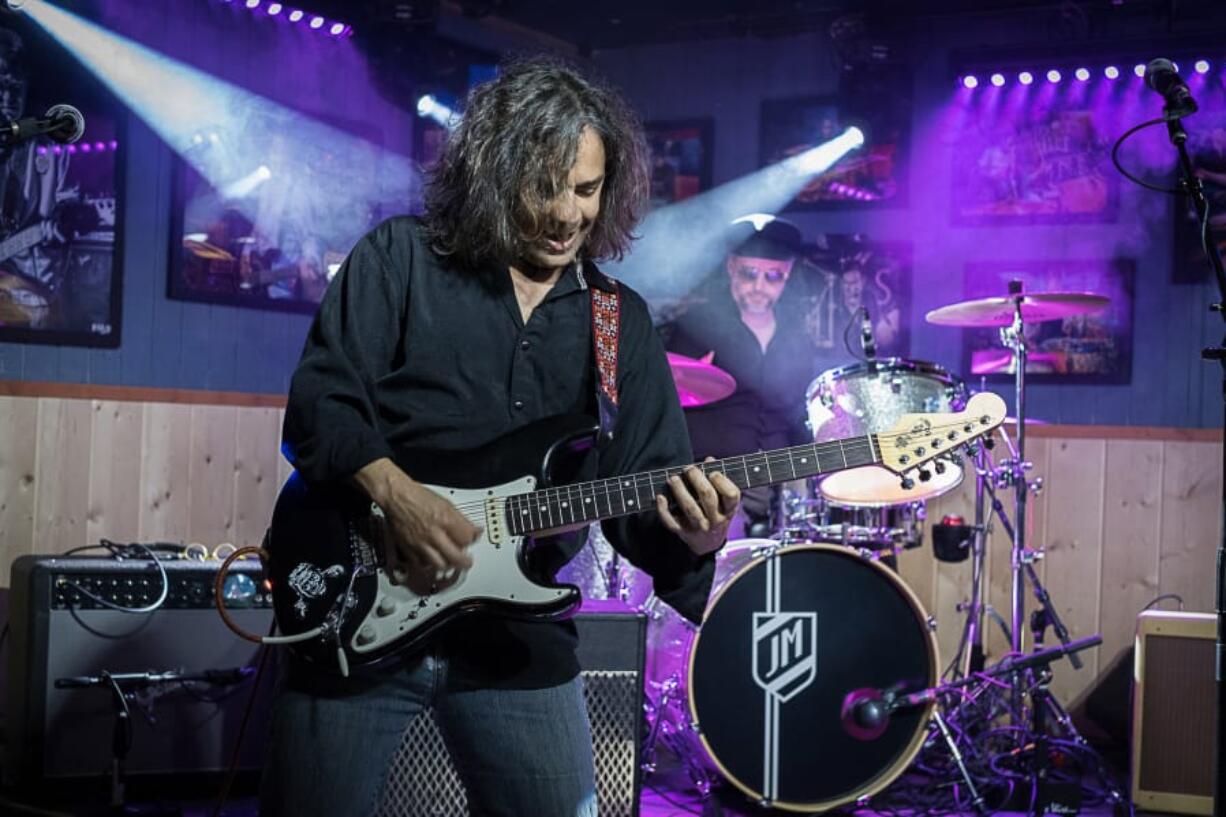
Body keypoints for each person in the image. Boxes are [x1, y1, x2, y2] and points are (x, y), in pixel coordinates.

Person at [261, 57, 741, 817]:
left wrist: (697, 532)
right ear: (491, 176)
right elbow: (322, 404)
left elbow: (641, 497)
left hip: (516, 636)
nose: (566, 214)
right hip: (357, 604)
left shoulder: (619, 322)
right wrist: (395, 494)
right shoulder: (400, 259)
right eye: (543, 187)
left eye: (585, 189)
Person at [664, 215, 835, 536]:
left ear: (787, 277)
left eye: (773, 277)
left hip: (780, 473)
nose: (760, 287)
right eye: (749, 274)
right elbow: (669, 400)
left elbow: (800, 418)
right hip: (717, 472)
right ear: (731, 268)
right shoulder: (697, 327)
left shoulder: (797, 337)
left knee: (813, 531)